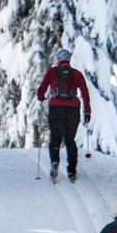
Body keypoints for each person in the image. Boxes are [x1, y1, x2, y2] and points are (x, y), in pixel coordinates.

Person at [35, 47, 92, 182]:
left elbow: (41, 90)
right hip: (73, 110)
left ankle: (55, 162)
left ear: (58, 59)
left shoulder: (52, 72)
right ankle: (71, 171)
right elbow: (85, 94)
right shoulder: (77, 74)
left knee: (55, 138)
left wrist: (41, 97)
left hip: (56, 108)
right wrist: (87, 111)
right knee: (70, 140)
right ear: (69, 59)